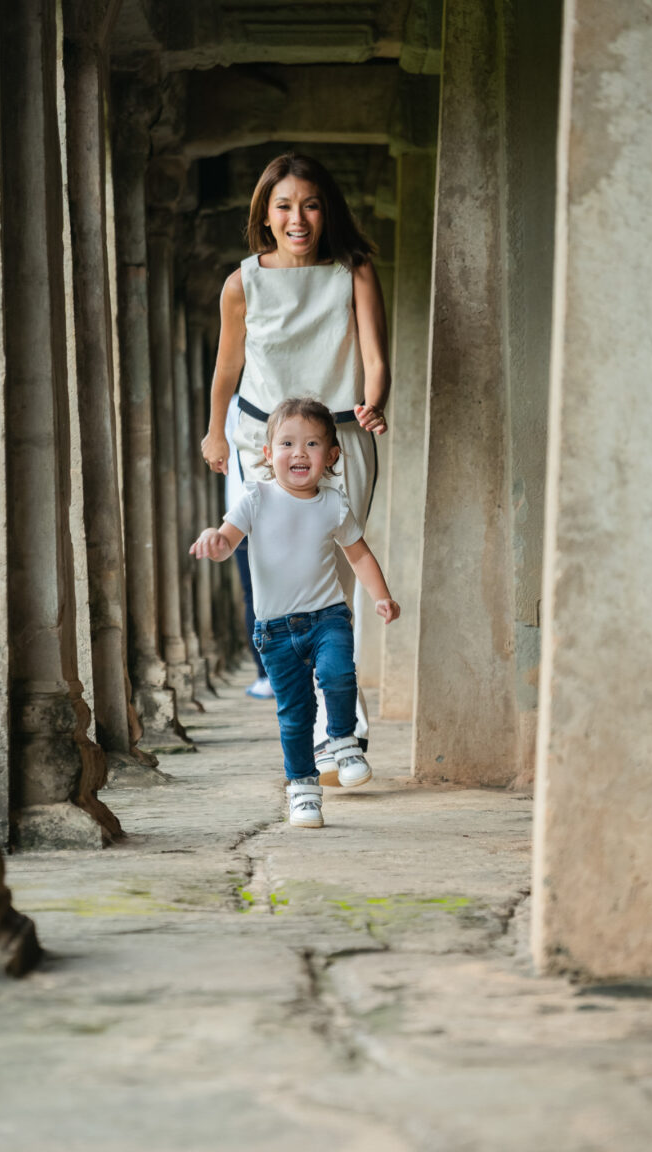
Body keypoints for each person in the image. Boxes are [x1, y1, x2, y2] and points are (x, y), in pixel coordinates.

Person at [199, 152, 391, 778]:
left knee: (339, 571)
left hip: (338, 436)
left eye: (309, 203)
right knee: (277, 573)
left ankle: (343, 727)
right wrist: (214, 434)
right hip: (261, 440)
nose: (297, 217)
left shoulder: (353, 270)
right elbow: (227, 370)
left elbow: (375, 355)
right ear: (265, 214)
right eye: (283, 205)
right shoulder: (242, 282)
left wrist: (374, 402)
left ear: (325, 208)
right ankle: (314, 719)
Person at [190, 398, 400, 829]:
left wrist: (381, 596)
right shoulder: (256, 497)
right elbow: (229, 540)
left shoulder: (334, 504)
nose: (299, 453)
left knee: (340, 674)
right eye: (286, 443)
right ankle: (303, 791)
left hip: (327, 617)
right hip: (275, 631)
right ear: (268, 455)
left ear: (332, 456)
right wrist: (214, 539)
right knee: (295, 713)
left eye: (311, 444)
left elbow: (359, 557)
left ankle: (342, 740)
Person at [224, 395, 273, 699]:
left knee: (255, 596)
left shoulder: (236, 402)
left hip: (243, 507)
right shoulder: (235, 403)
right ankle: (270, 673)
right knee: (260, 597)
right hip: (247, 511)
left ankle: (267, 675)